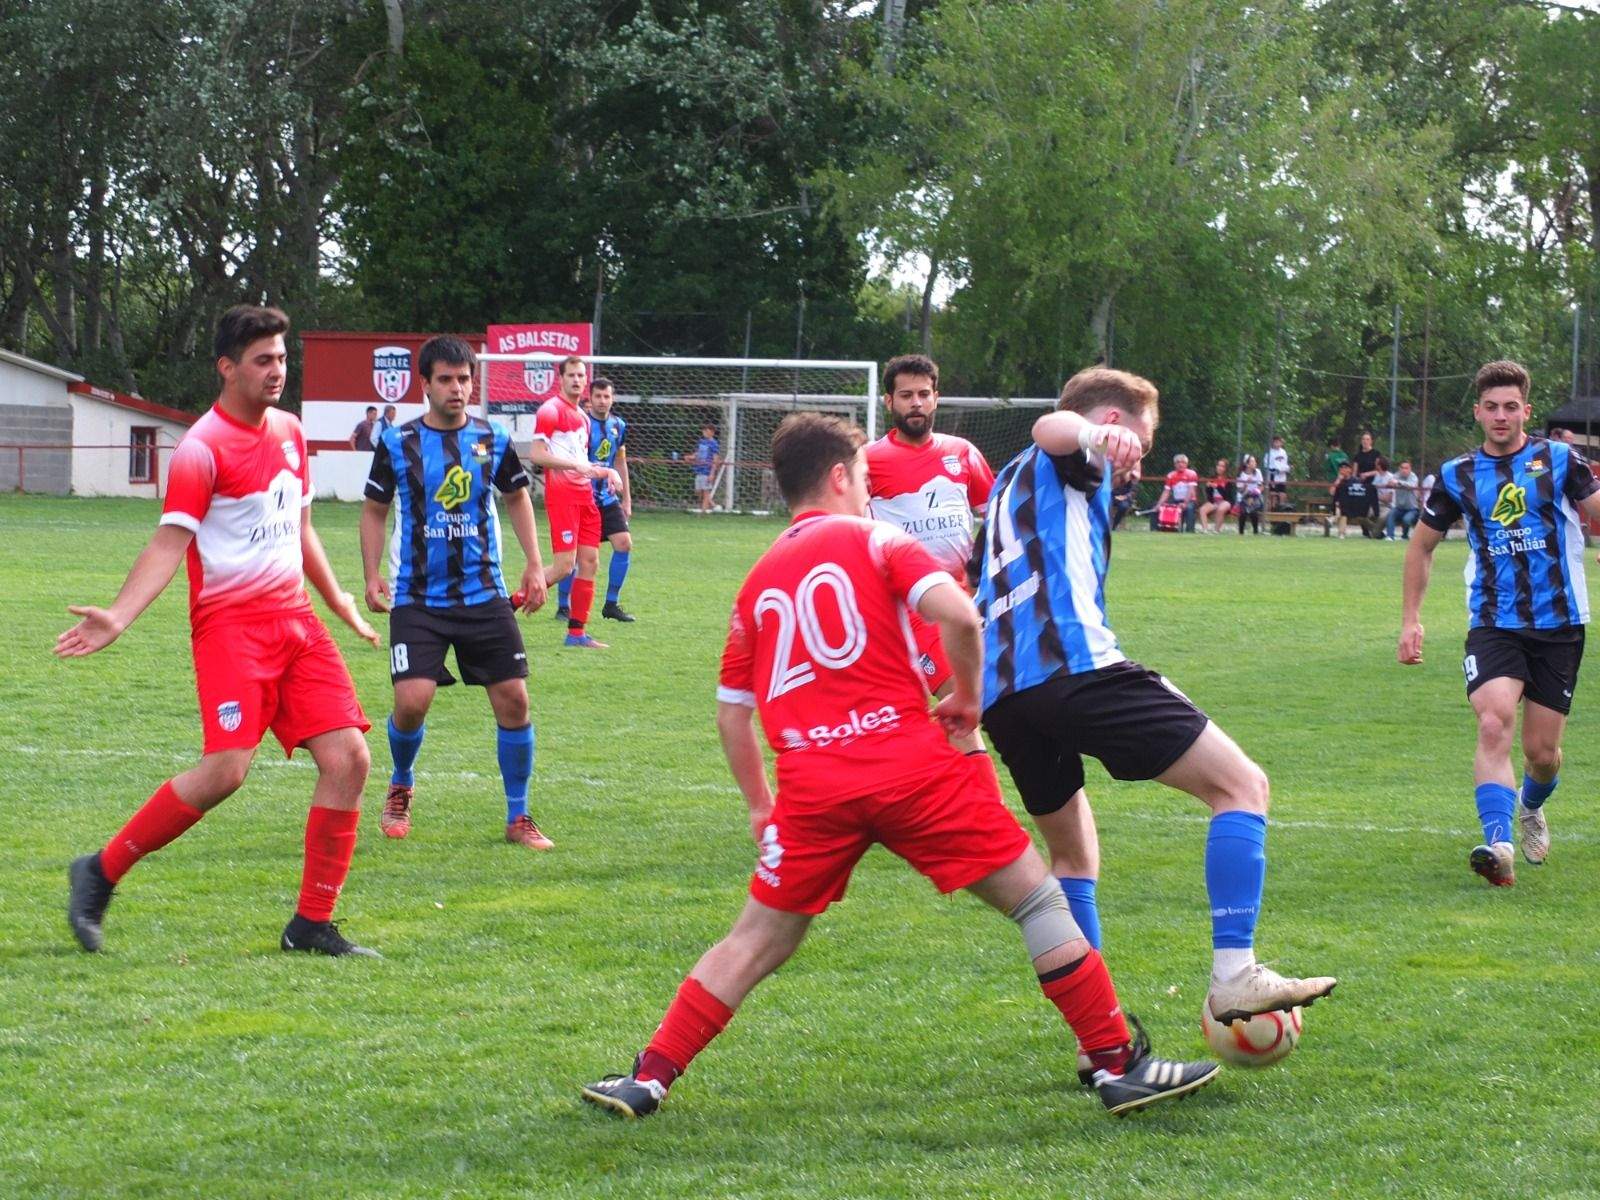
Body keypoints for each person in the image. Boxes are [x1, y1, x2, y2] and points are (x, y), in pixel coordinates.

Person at [579, 412, 1219, 1120]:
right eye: (864, 478)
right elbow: (961, 616)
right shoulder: (878, 538)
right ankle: (1115, 1064)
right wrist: (969, 698)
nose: (869, 492)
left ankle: (648, 1078)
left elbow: (733, 714)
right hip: (912, 772)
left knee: (756, 938)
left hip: (813, 789)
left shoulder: (756, 584)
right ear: (839, 477)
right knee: (1038, 901)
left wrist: (762, 806)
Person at [974, 366, 1337, 1028]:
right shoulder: (1076, 450)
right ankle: (1235, 975)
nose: (1138, 462)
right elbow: (1051, 425)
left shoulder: (1008, 484)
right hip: (1074, 669)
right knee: (1243, 786)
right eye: (1140, 442)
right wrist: (1095, 437)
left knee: (1073, 856)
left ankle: (1101, 1036)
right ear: (1113, 422)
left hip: (1004, 699)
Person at [61, 305, 381, 958]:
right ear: (227, 368)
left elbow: (301, 529)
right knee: (226, 772)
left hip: (297, 624)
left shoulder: (291, 432)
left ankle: (311, 925)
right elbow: (168, 543)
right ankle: (100, 871)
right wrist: (118, 615)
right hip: (232, 630)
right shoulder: (202, 449)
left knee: (350, 758)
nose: (277, 371)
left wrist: (340, 600)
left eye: (282, 358)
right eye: (263, 360)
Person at [1400, 360, 1600, 885]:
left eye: (1510, 407)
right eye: (1491, 407)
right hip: (1493, 620)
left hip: (1559, 624)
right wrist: (1411, 620)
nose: (1501, 416)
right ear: (1477, 412)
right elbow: (1421, 547)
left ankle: (1531, 806)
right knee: (1492, 721)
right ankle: (1499, 843)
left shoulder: (1559, 460)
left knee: (1542, 754)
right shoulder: (1457, 474)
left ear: (1526, 411)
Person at [359, 336, 555, 850]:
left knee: (515, 700)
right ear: (424, 384)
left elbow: (517, 497)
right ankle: (401, 783)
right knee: (412, 702)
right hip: (417, 595)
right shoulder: (397, 442)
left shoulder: (493, 437)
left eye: (464, 379)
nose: (457, 388)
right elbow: (375, 510)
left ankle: (518, 816)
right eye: (445, 379)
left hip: (483, 591)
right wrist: (371, 574)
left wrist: (535, 564)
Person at [865, 353, 994, 698]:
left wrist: (981, 570)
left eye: (924, 394)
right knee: (961, 695)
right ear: (889, 401)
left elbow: (997, 516)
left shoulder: (962, 452)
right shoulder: (868, 461)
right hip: (914, 600)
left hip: (970, 596)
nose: (916, 403)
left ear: (936, 398)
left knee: (990, 695)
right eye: (906, 395)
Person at [524, 356, 622, 649]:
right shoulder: (550, 410)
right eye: (571, 375)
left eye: (581, 375)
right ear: (561, 379)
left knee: (589, 562)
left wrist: (608, 471)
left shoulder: (583, 417)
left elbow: (582, 463)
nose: (577, 380)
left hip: (585, 496)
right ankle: (506, 605)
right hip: (563, 497)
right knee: (564, 567)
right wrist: (574, 466)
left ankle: (576, 634)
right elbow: (537, 455)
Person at [556, 376, 635, 623]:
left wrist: (626, 499)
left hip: (608, 499)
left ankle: (611, 604)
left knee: (624, 543)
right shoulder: (582, 424)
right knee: (574, 557)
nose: (602, 401)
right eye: (598, 396)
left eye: (606, 396)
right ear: (590, 398)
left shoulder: (618, 426)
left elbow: (620, 462)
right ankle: (563, 606)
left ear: (612, 399)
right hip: (582, 498)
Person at [1151, 453, 1199, 532]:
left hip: (1189, 501)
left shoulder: (1191, 474)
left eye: (1183, 462)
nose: (1180, 464)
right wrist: (1159, 504)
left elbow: (1191, 490)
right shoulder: (1170, 475)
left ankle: (1190, 530)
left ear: (1187, 464)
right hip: (1176, 500)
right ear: (1175, 464)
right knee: (1156, 506)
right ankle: (1155, 530)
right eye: (1178, 462)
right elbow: (1166, 492)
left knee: (1189, 508)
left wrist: (1185, 503)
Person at [1330, 462, 1372, 539]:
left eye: (1345, 467)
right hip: (1341, 507)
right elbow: (1332, 492)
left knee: (1342, 511)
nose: (1342, 470)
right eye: (1341, 468)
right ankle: (1341, 533)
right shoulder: (1338, 481)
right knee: (1342, 512)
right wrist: (1338, 480)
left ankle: (1332, 520)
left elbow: (1360, 496)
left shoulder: (1356, 481)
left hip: (1354, 507)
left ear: (1350, 470)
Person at [1384, 459, 1420, 541]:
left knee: (1406, 520)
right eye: (1402, 468)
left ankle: (1404, 536)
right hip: (1399, 507)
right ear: (1399, 468)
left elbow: (1411, 485)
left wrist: (1398, 483)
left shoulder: (1413, 477)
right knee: (1390, 515)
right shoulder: (1396, 475)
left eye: (1406, 468)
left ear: (1410, 469)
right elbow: (1390, 483)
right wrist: (1391, 483)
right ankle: (1390, 536)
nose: (1404, 470)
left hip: (1412, 509)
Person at [692, 423, 722, 513]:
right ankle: (713, 505)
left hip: (707, 470)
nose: (704, 432)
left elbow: (715, 459)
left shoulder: (714, 444)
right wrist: (691, 457)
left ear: (712, 432)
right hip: (699, 469)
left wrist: (712, 473)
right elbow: (698, 453)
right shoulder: (701, 441)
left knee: (705, 491)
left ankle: (703, 512)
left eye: (706, 430)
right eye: (703, 430)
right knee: (698, 491)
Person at [1198, 458, 1233, 533]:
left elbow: (1227, 495)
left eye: (1222, 466)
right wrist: (1208, 487)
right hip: (1214, 501)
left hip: (1226, 501)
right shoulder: (1213, 477)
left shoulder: (1229, 479)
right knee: (1202, 510)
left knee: (1220, 509)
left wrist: (1217, 486)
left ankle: (1216, 530)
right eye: (1218, 465)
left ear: (1225, 468)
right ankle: (1205, 530)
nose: (1219, 468)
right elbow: (1209, 495)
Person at [1235, 454, 1265, 535]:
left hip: (1256, 495)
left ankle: (1255, 531)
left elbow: (1261, 487)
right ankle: (1241, 533)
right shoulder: (1240, 474)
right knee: (1243, 512)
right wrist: (1246, 483)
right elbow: (1240, 490)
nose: (1255, 463)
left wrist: (1253, 496)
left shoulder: (1258, 472)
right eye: (1252, 461)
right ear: (1247, 464)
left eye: (1255, 461)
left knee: (1253, 510)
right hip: (1244, 495)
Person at [1111, 463, 1140, 529]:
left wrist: (1125, 497)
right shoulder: (1113, 475)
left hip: (1125, 498)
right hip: (1112, 496)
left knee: (1123, 506)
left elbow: (1133, 491)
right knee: (1104, 503)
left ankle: (1113, 526)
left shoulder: (1133, 477)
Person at [1265, 436, 1290, 510]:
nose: (1278, 444)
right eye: (1276, 442)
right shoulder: (1269, 453)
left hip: (1282, 477)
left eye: (1279, 442)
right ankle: (1271, 510)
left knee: (1282, 494)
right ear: (1273, 443)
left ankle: (1281, 509)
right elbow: (1267, 465)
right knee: (1272, 495)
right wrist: (1274, 470)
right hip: (1273, 477)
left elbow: (1285, 464)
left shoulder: (1283, 452)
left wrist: (1286, 468)